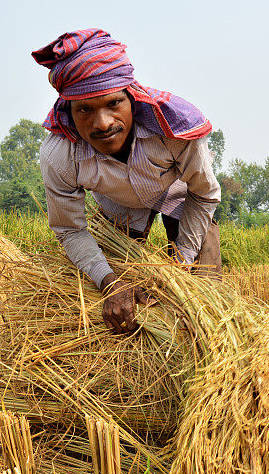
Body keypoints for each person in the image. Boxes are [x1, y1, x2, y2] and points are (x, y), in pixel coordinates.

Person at [32, 28, 221, 335]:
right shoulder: (60, 154)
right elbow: (69, 229)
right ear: (69, 111)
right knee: (121, 311)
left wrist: (183, 261)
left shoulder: (174, 131)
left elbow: (204, 194)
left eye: (113, 105)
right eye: (85, 110)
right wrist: (110, 281)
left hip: (182, 200)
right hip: (119, 211)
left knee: (204, 302)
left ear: (132, 100)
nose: (103, 123)